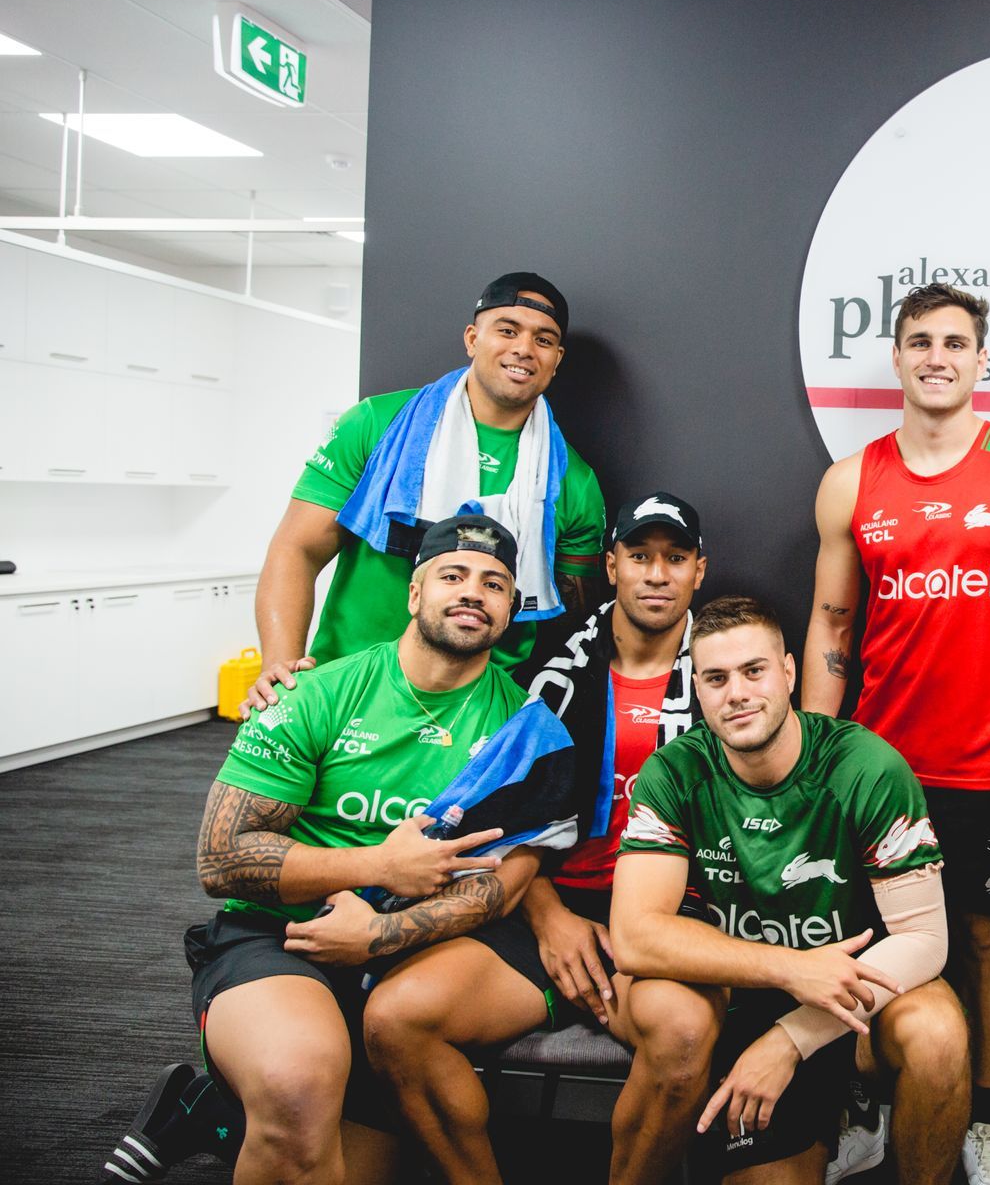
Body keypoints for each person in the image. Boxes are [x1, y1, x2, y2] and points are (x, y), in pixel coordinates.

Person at [802, 282, 990, 1185]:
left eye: (955, 342)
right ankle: (863, 1109)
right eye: (920, 341)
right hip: (875, 775)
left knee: (989, 940)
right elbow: (830, 628)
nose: (936, 356)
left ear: (982, 359)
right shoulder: (853, 479)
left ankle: (987, 1124)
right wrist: (813, 763)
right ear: (896, 355)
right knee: (855, 940)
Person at [186, 515, 555, 1185]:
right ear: (415, 595)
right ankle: (224, 1104)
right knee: (296, 1088)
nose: (473, 592)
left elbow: (502, 883)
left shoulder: (527, 733)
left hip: (416, 957)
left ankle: (209, 1114)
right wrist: (377, 867)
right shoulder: (313, 692)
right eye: (453, 575)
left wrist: (381, 933)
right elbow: (221, 859)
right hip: (282, 935)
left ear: (512, 610)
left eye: (495, 584)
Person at [358, 493, 708, 1185]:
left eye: (676, 558)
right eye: (640, 556)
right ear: (611, 565)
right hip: (544, 900)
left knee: (681, 1035)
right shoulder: (551, 666)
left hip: (666, 914)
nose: (657, 574)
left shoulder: (727, 670)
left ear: (701, 570)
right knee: (395, 1019)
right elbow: (509, 816)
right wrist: (549, 918)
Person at [612, 596, 971, 1185]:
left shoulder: (866, 767)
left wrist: (790, 1040)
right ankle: (824, 1121)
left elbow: (926, 940)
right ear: (696, 689)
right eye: (716, 678)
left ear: (787, 672)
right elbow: (634, 938)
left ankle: (856, 1104)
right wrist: (788, 969)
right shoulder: (675, 771)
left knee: (937, 1033)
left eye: (754, 671)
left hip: (854, 1004)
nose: (737, 693)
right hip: (746, 1002)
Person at [246, 271, 607, 712]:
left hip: (477, 711)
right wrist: (280, 669)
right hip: (348, 688)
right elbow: (296, 549)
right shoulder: (377, 424)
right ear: (473, 338)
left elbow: (570, 620)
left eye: (544, 339)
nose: (524, 349)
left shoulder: (573, 480)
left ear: (557, 358)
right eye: (507, 330)